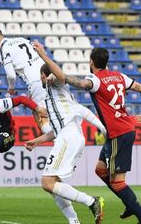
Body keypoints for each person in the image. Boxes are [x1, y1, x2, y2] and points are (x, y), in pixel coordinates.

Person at [33, 41, 141, 223]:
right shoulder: (120, 76)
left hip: (118, 132)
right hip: (117, 131)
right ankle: (129, 202)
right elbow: (138, 87)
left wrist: (63, 76)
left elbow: (82, 84)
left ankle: (135, 208)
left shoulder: (95, 80)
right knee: (100, 171)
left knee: (117, 182)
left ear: (91, 62)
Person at [25, 64, 106, 224]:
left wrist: (102, 128)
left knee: (47, 183)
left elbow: (81, 108)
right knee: (55, 185)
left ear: (43, 76)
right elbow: (73, 117)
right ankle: (74, 221)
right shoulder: (58, 98)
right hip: (68, 138)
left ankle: (91, 201)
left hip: (69, 139)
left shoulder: (56, 87)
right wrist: (36, 141)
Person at [0, 26, 52, 134]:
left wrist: (11, 88)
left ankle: (61, 143)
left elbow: (11, 75)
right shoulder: (21, 39)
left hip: (37, 82)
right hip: (51, 74)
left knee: (41, 117)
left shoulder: (3, 48)